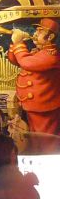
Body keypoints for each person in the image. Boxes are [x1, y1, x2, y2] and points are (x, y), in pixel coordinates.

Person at [8, 18, 60, 153]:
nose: (36, 34)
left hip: (44, 107)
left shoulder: (51, 56)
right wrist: (17, 43)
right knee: (35, 138)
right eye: (36, 30)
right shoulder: (39, 52)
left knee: (44, 140)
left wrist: (19, 44)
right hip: (34, 105)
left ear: (51, 36)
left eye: (40, 31)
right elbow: (15, 60)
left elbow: (26, 63)